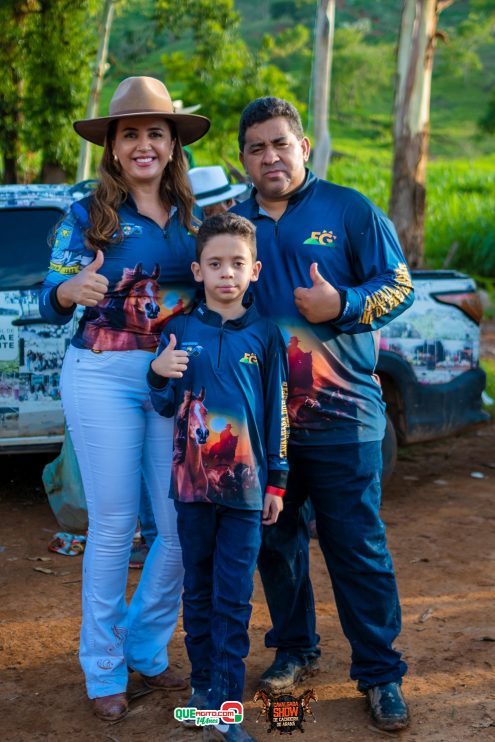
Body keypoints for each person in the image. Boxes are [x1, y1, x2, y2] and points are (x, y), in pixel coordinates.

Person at [231, 97, 414, 732]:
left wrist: (343, 302)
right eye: (257, 147)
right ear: (244, 159)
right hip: (263, 424)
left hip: (343, 416)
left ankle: (381, 674)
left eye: (280, 143)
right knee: (275, 544)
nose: (270, 156)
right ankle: (295, 649)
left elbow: (399, 285)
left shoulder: (350, 209)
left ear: (304, 147)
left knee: (356, 547)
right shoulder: (230, 224)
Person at [38, 76, 210, 721]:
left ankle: (144, 642)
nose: (143, 144)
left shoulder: (195, 218)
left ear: (172, 146)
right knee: (114, 526)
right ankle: (102, 665)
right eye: (130, 133)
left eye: (155, 133)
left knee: (177, 527)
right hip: (102, 375)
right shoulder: (86, 213)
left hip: (173, 377)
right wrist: (65, 293)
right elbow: (48, 297)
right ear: (112, 147)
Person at [148, 212, 289, 742]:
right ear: (198, 269)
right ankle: (202, 689)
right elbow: (164, 405)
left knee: (234, 596)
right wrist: (155, 374)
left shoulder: (266, 335)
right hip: (192, 488)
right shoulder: (180, 330)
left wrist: (277, 481)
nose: (226, 273)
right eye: (215, 264)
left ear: (254, 270)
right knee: (198, 590)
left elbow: (277, 413)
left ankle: (228, 706)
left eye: (236, 263)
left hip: (248, 491)